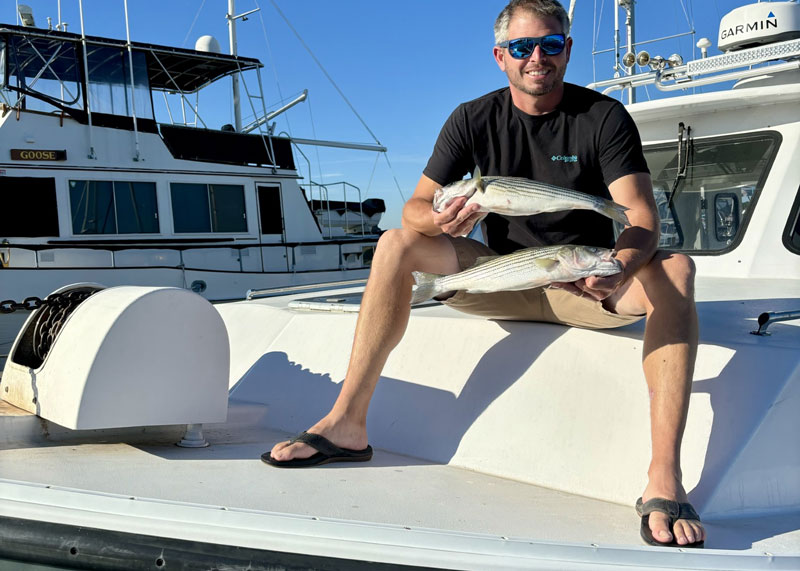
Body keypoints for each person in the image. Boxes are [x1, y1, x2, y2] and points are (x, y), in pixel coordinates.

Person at [266, 0, 706, 549]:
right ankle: (347, 424)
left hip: (585, 286)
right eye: (523, 47)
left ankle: (663, 473)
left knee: (678, 270)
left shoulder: (603, 117)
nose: (537, 58)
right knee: (395, 243)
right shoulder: (473, 118)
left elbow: (640, 216)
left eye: (550, 44)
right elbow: (415, 209)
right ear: (501, 56)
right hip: (501, 277)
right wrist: (443, 219)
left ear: (567, 50)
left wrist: (616, 267)